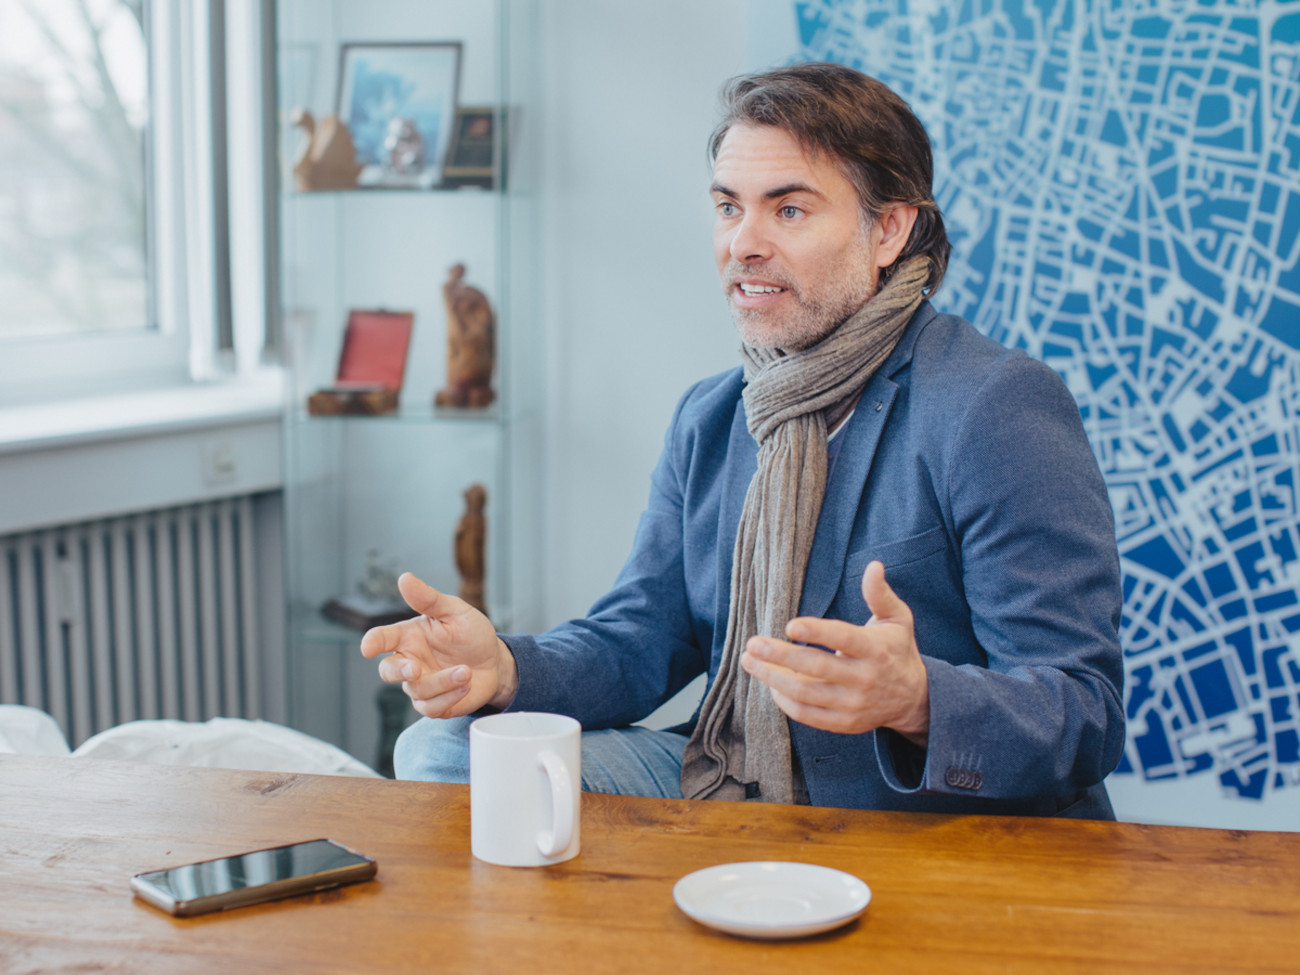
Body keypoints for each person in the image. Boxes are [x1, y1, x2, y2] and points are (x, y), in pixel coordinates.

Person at [361, 62, 1125, 818]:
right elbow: (639, 637)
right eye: (730, 207)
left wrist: (920, 699)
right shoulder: (714, 414)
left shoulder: (994, 403)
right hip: (733, 775)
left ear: (889, 228)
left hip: (909, 814)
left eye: (788, 211)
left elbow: (1085, 711)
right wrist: (504, 666)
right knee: (445, 750)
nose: (744, 243)